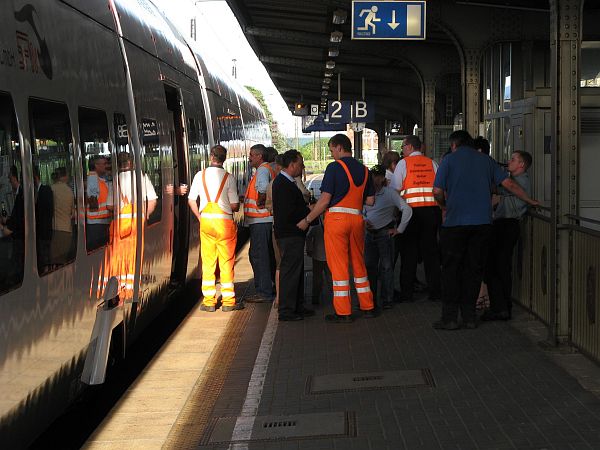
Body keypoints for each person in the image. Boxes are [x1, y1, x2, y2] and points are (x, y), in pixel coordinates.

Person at [432, 130, 539, 330]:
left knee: (451, 270)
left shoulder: (449, 161)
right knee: (474, 269)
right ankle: (470, 317)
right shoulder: (486, 161)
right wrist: (529, 200)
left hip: (455, 224)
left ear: (454, 145)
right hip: (482, 224)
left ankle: (450, 318)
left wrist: (444, 205)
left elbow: (437, 191)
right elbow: (509, 184)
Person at [298, 133, 377, 323]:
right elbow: (370, 201)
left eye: (332, 149)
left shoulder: (334, 168)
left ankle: (344, 312)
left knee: (339, 266)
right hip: (357, 220)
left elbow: (324, 200)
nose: (332, 153)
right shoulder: (365, 170)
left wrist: (307, 219)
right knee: (358, 262)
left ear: (340, 147)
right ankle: (368, 306)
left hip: (337, 221)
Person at [482, 150, 533, 321]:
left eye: (513, 160)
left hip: (507, 225)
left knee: (498, 266)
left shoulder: (519, 182)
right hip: (504, 225)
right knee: (498, 266)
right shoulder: (514, 181)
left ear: (521, 165)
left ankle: (501, 307)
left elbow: (506, 194)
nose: (508, 162)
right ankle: (501, 306)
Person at [390, 135, 442, 302]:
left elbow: (395, 190)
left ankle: (407, 293)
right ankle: (435, 291)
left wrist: (396, 212)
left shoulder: (403, 164)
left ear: (410, 147)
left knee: (409, 254)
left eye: (403, 147)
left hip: (410, 214)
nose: (402, 150)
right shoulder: (432, 163)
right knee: (431, 253)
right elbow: (439, 189)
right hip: (431, 213)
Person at [188, 145, 239, 312]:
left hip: (207, 222)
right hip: (224, 223)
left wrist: (200, 217)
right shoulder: (228, 177)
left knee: (208, 261)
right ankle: (228, 301)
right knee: (226, 262)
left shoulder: (199, 175)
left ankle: (209, 301)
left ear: (211, 157)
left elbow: (191, 200)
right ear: (224, 159)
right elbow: (234, 205)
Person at [272, 150, 315, 321]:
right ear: (291, 165)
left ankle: (297, 306)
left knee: (296, 270)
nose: (302, 167)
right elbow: (289, 211)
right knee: (290, 272)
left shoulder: (285, 182)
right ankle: (287, 310)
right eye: (300, 164)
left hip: (292, 234)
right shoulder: (283, 184)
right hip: (289, 234)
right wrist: (308, 212)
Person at [364, 165, 412, 310]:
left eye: (379, 177)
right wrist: (364, 220)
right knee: (370, 267)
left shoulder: (390, 193)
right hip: (369, 234)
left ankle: (387, 299)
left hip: (385, 234)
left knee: (386, 268)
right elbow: (360, 210)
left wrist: (399, 230)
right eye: (373, 176)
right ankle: (370, 298)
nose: (376, 180)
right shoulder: (365, 194)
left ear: (384, 178)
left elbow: (407, 209)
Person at [243, 144, 275, 302]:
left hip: (261, 220)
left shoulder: (262, 170)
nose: (249, 158)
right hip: (264, 220)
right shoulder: (268, 169)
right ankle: (269, 288)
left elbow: (262, 189)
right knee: (264, 255)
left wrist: (260, 202)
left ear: (259, 156)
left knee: (259, 256)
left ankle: (264, 292)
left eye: (252, 155)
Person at [265, 154, 284, 308]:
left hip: (276, 227)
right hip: (285, 230)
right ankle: (283, 298)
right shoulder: (285, 183)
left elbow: (267, 205)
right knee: (284, 264)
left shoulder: (272, 184)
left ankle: (279, 298)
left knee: (280, 264)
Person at [86, 156, 113, 250]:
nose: (107, 166)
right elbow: (92, 200)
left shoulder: (100, 179)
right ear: (96, 165)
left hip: (101, 221)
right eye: (104, 164)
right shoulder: (93, 178)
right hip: (96, 223)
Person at [50, 167, 75, 266]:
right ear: (64, 177)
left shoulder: (51, 189)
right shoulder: (69, 191)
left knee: (54, 262)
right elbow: (73, 212)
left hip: (55, 230)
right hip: (67, 230)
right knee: (63, 262)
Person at [34, 166, 54, 273]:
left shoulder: (45, 190)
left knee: (45, 253)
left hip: (45, 230)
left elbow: (49, 210)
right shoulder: (33, 193)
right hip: (39, 232)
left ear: (35, 178)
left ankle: (47, 270)